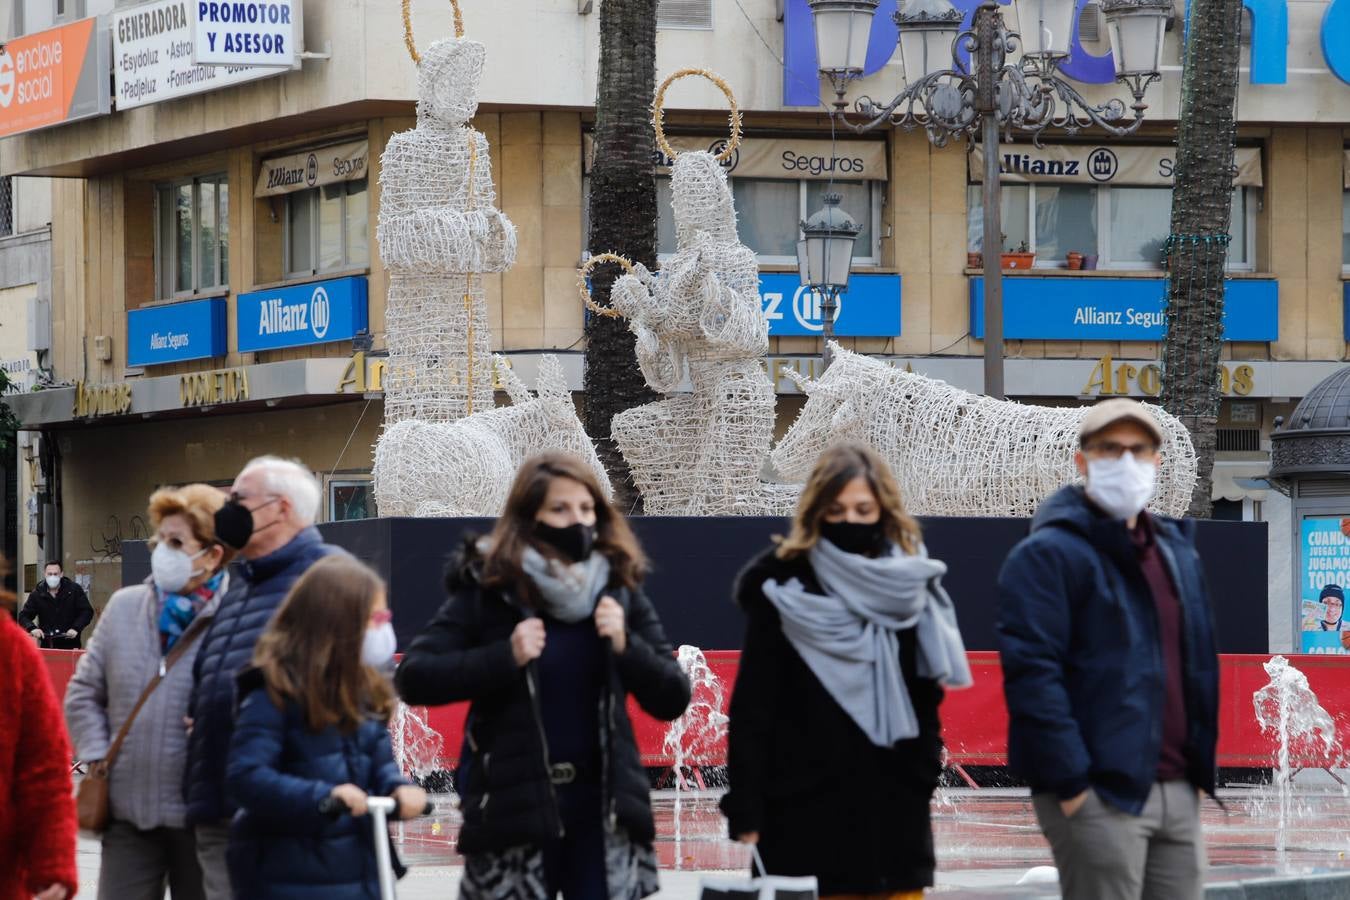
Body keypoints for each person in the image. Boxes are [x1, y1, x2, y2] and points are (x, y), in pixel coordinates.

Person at [396, 452, 690, 900]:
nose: (577, 521)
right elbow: (415, 677)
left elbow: (672, 696)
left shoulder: (616, 590)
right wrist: (503, 656)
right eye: (560, 509)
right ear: (528, 516)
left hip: (601, 808)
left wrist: (627, 646)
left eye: (587, 508)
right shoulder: (492, 590)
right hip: (513, 808)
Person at [720, 442, 972, 899]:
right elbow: (754, 710)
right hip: (800, 813)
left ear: (884, 511)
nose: (851, 522)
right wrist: (747, 809)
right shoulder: (782, 591)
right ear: (817, 512)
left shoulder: (907, 589)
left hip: (893, 809)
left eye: (863, 509)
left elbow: (925, 703)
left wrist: (917, 781)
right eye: (837, 510)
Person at [997, 397, 1220, 900]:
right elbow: (1033, 677)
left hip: (1176, 790)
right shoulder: (1046, 555)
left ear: (1157, 460)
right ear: (1082, 461)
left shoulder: (1175, 553)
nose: (1125, 461)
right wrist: (1074, 790)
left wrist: (1194, 776)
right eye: (1109, 449)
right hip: (1098, 795)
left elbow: (1194, 666)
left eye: (1138, 449)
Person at [64, 484, 235, 900]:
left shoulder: (240, 619)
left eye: (178, 542)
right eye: (161, 539)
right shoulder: (125, 606)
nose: (164, 550)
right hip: (128, 814)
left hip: (207, 820)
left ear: (212, 555)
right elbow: (83, 692)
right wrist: (99, 755)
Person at [185, 456, 343, 900]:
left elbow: (359, 689)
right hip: (220, 804)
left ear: (282, 507)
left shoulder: (328, 577)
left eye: (239, 499)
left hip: (286, 813)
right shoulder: (240, 585)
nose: (226, 511)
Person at [225, 556, 426, 899]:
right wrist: (323, 797)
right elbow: (246, 776)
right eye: (376, 619)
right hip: (286, 873)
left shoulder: (364, 693)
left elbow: (379, 763)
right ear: (339, 624)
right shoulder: (274, 692)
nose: (384, 628)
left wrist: (398, 788)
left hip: (358, 867)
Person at [0, 565, 78, 900]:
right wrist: (32, 628)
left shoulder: (10, 651)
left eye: (54, 572)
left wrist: (53, 864)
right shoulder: (36, 597)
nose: (52, 576)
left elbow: (44, 766)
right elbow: (27, 614)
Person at [20, 560, 94, 649]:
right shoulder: (37, 594)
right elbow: (24, 616)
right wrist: (32, 628)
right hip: (48, 644)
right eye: (49, 574)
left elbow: (86, 611)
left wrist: (76, 628)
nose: (52, 577)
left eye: (55, 574)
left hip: (70, 643)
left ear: (61, 574)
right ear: (45, 574)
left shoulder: (74, 590)